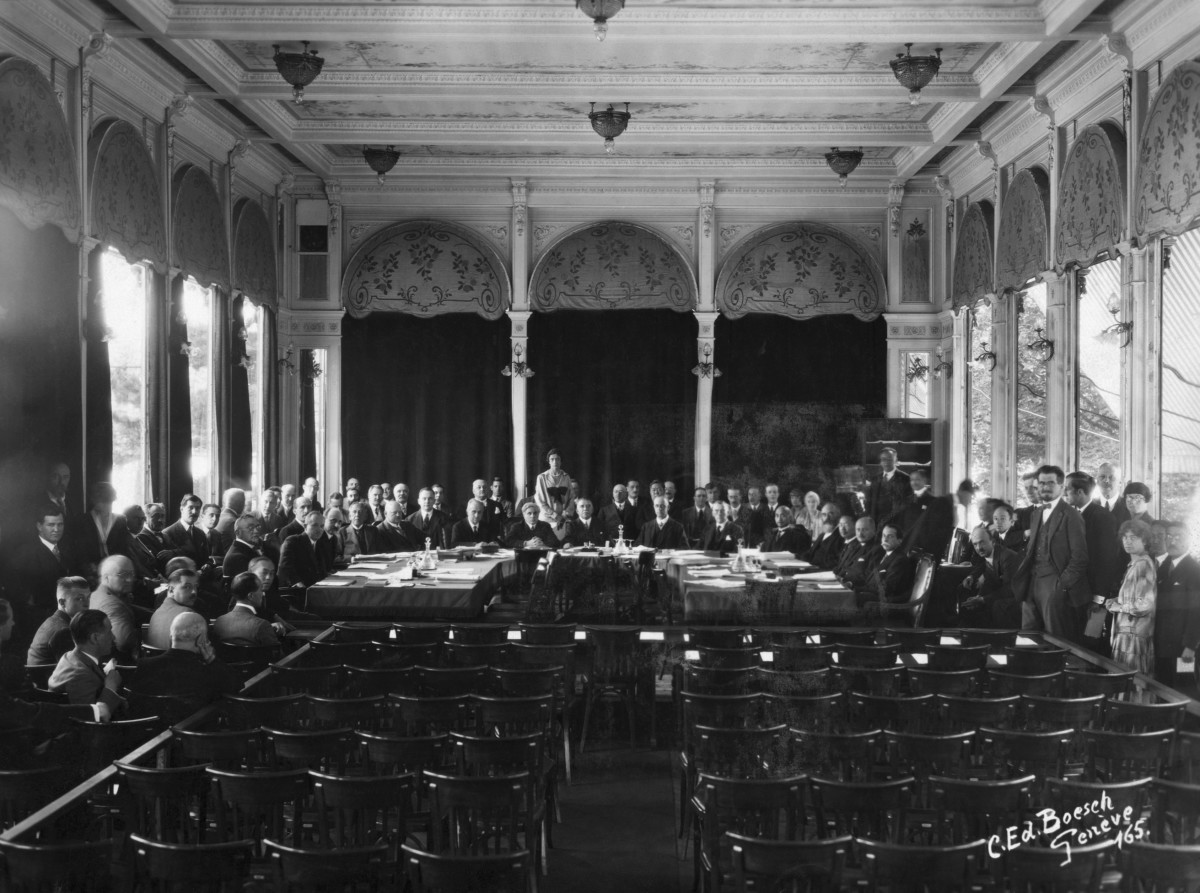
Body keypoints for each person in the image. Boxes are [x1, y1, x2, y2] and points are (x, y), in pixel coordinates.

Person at [1014, 465, 1090, 638]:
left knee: (1055, 638)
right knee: (1028, 636)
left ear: (1061, 487)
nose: (1045, 487)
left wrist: (1060, 586)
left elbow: (1080, 558)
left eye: (1050, 483)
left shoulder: (1071, 515)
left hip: (1055, 582)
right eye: (1041, 483)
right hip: (1032, 581)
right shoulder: (1036, 514)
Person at [132, 612, 242, 709]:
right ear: (201, 640)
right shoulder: (208, 673)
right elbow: (238, 686)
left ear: (170, 637)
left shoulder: (142, 667)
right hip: (195, 725)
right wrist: (212, 660)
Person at [1064, 472, 1123, 647]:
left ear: (1080, 492)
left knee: (1092, 640)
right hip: (1075, 593)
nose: (1064, 493)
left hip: (1094, 595)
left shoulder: (1102, 517)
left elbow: (1107, 560)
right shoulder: (1070, 515)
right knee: (1076, 641)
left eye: (1067, 489)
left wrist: (1098, 598)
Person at [5, 504, 77, 639]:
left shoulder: (68, 548)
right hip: (38, 623)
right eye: (51, 525)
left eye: (60, 524)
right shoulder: (25, 554)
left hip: (66, 617)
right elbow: (17, 592)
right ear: (39, 526)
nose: (56, 529)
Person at [1106, 519, 1157, 685]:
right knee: (1125, 685)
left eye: (1133, 537)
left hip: (1134, 638)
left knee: (1131, 686)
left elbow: (1144, 604)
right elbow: (1135, 597)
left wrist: (1120, 607)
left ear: (1145, 541)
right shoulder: (1134, 564)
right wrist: (1116, 601)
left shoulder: (1143, 564)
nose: (1128, 541)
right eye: (1125, 537)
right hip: (1127, 635)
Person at [47, 609, 125, 711]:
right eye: (109, 631)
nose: (113, 637)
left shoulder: (68, 656)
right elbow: (92, 716)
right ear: (94, 638)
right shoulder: (80, 675)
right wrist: (111, 687)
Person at [1154, 520, 1200, 689]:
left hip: (1183, 648)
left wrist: (1190, 646)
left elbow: (1197, 611)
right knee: (1163, 688)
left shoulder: (1195, 570)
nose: (1172, 541)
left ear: (1189, 539)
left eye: (1178, 537)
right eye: (1169, 536)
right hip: (1161, 644)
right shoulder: (1162, 567)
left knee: (1185, 689)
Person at [958, 524, 1022, 629]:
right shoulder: (989, 554)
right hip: (1005, 593)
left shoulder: (1007, 557)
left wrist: (983, 599)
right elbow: (988, 577)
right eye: (975, 544)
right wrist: (978, 596)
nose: (979, 548)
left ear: (992, 541)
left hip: (1018, 598)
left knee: (997, 606)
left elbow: (1010, 589)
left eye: (982, 542)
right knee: (965, 592)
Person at [856, 523, 915, 621]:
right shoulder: (885, 555)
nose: (885, 539)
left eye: (890, 536)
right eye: (883, 535)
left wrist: (857, 589)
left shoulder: (899, 560)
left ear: (899, 541)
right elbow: (870, 580)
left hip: (887, 606)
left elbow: (886, 589)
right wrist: (853, 586)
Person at [26, 576, 90, 666]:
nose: (87, 604)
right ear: (62, 603)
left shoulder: (55, 622)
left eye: (88, 597)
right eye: (79, 598)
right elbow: (76, 668)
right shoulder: (63, 631)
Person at [73, 481, 133, 576]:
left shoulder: (120, 520)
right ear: (93, 500)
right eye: (100, 501)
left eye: (107, 502)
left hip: (115, 570)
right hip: (91, 571)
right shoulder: (83, 520)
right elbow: (81, 551)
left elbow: (124, 549)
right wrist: (90, 568)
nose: (105, 505)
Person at [88, 555, 140, 661]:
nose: (130, 579)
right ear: (106, 578)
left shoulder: (98, 593)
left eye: (131, 574)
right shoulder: (111, 605)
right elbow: (124, 643)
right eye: (123, 575)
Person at [213, 573, 282, 648]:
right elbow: (277, 653)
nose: (263, 594)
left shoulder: (219, 622)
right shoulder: (262, 625)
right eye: (261, 590)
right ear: (251, 596)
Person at [146, 568, 200, 651]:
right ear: (171, 590)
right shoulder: (187, 615)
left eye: (195, 587)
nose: (194, 592)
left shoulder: (156, 614)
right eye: (187, 587)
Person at [278, 510, 334, 588]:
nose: (319, 529)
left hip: (318, 587)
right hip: (299, 589)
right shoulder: (293, 541)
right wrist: (297, 583)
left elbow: (324, 569)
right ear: (305, 526)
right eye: (315, 525)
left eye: (322, 526)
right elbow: (285, 568)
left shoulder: (321, 544)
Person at [158, 494, 212, 567]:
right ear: (182, 509)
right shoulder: (167, 533)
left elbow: (206, 558)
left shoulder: (200, 533)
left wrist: (207, 565)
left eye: (197, 508)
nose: (194, 512)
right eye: (190, 508)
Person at [222, 514, 280, 579]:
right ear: (238, 533)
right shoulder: (236, 558)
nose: (256, 531)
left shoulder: (261, 547)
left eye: (258, 527)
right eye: (250, 528)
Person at [866, 448, 911, 526]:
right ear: (880, 462)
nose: (886, 462)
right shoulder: (875, 479)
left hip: (896, 523)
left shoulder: (906, 479)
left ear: (896, 460)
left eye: (890, 459)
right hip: (877, 523)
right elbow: (870, 502)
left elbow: (907, 504)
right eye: (883, 459)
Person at [836, 517, 882, 589]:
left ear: (874, 530)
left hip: (856, 588)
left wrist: (849, 583)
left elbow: (868, 575)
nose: (860, 533)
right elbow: (844, 567)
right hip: (842, 582)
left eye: (864, 530)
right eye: (858, 530)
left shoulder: (877, 549)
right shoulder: (854, 546)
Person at [533, 449, 571, 524]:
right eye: (552, 459)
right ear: (549, 461)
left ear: (561, 461)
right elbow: (540, 500)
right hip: (547, 519)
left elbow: (570, 497)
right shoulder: (542, 477)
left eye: (557, 459)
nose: (555, 462)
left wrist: (565, 514)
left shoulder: (566, 477)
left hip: (563, 518)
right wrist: (554, 515)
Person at [806, 503, 845, 570]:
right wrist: (793, 557)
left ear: (838, 516)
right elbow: (810, 553)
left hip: (823, 571)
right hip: (810, 568)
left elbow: (836, 561)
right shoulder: (822, 535)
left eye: (830, 514)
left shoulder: (841, 536)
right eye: (824, 515)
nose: (827, 518)